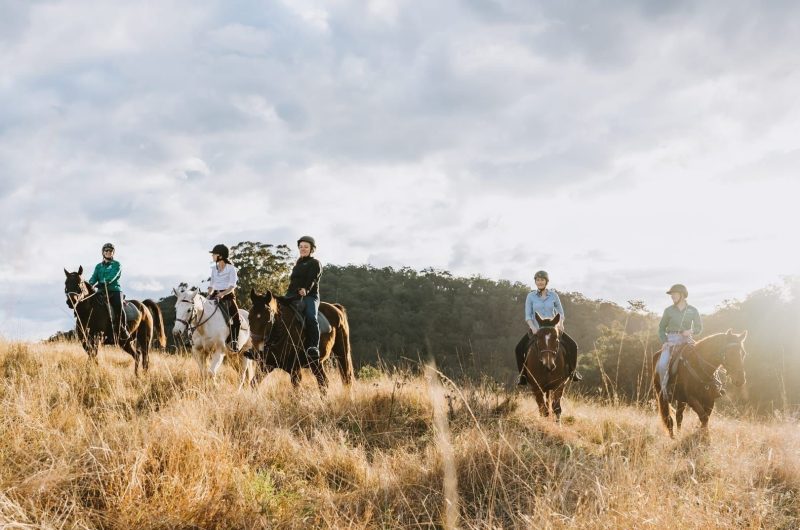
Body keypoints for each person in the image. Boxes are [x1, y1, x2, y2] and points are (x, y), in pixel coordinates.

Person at [516, 270, 581, 385]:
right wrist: (533, 327)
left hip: (552, 330)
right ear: (535, 281)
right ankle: (523, 376)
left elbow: (560, 312)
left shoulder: (553, 295)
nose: (540, 282)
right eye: (538, 280)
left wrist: (560, 324)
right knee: (518, 348)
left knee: (573, 346)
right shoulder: (530, 296)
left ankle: (573, 372)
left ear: (546, 281)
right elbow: (528, 315)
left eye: (542, 280)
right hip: (537, 329)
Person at [656, 284, 703, 398]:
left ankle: (714, 385)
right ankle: (665, 391)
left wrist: (690, 331)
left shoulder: (693, 310)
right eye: (671, 294)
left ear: (682, 295)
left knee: (702, 358)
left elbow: (699, 328)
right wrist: (665, 341)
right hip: (671, 340)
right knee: (662, 365)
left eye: (674, 294)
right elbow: (661, 328)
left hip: (687, 340)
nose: (672, 296)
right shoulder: (668, 311)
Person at [283, 235, 323, 360]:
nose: (303, 249)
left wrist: (306, 289)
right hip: (293, 294)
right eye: (301, 247)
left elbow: (312, 279)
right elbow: (292, 283)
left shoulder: (315, 263)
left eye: (306, 247)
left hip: (310, 296)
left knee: (311, 317)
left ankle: (313, 346)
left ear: (312, 249)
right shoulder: (297, 265)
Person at [88, 242, 130, 345]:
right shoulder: (98, 266)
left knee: (118, 306)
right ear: (103, 252)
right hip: (101, 291)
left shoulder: (117, 264)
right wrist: (90, 285)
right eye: (106, 250)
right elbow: (94, 277)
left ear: (113, 253)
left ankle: (122, 329)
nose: (108, 252)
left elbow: (113, 276)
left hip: (114, 290)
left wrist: (104, 282)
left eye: (110, 251)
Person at [208, 244, 241, 351]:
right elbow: (211, 284)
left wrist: (222, 294)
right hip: (214, 295)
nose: (212, 256)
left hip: (227, 296)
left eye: (214, 254)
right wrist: (209, 294)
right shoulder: (214, 269)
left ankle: (234, 341)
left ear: (220, 256)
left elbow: (232, 286)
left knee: (236, 320)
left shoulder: (231, 269)